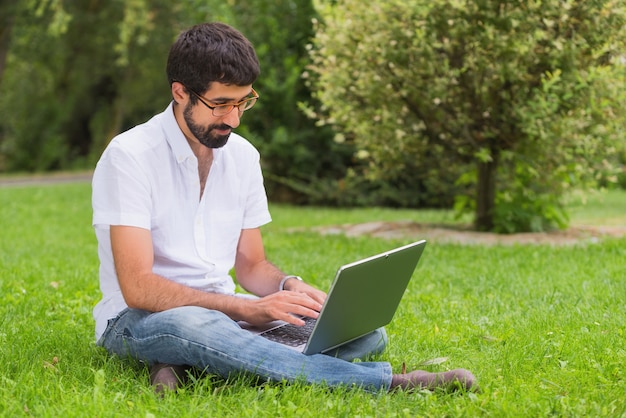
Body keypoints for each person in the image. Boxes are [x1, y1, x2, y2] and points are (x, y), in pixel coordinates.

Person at [91, 22, 477, 394]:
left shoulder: (242, 157)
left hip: (228, 317)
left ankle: (191, 365)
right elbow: (138, 288)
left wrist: (288, 288)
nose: (235, 118)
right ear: (180, 92)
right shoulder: (130, 156)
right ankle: (385, 384)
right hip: (142, 320)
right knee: (198, 325)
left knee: (365, 334)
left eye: (244, 102)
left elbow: (252, 266)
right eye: (221, 104)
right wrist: (247, 310)